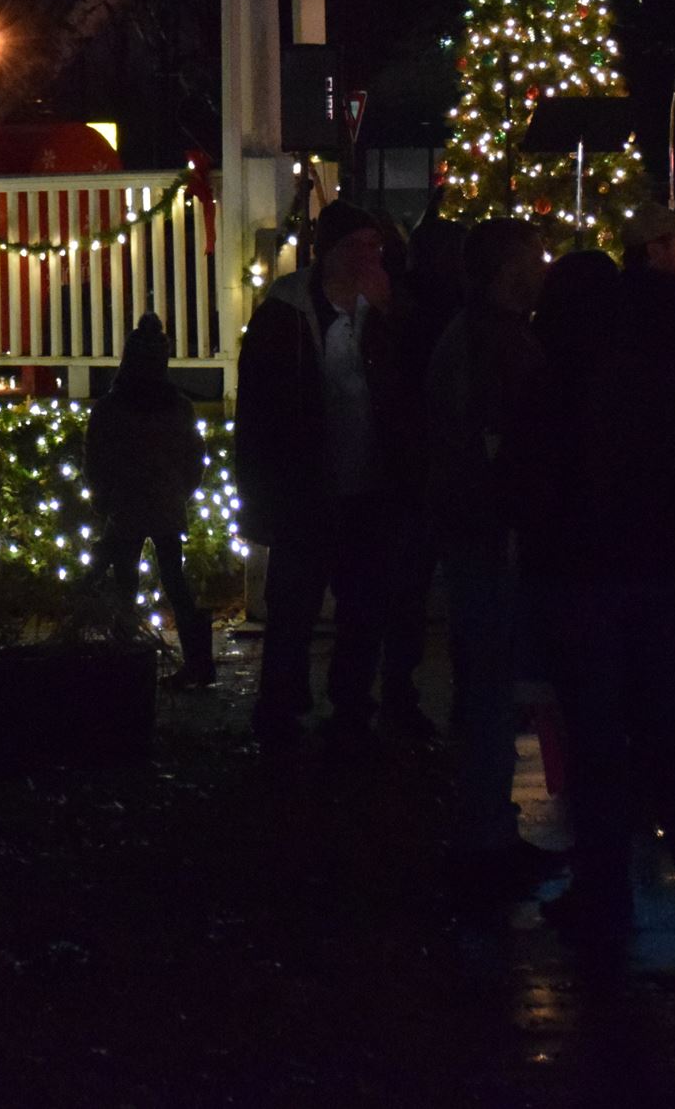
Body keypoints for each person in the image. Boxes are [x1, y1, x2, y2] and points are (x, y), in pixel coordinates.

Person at [530, 205, 675, 964]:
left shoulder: (565, 352)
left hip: (584, 570)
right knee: (673, 738)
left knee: (595, 743)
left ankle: (606, 895)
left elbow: (538, 468)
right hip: (669, 562)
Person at [235, 200, 419, 749]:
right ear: (332, 253)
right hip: (306, 488)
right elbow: (260, 411)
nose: (370, 257)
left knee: (362, 606)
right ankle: (281, 706)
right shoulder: (286, 313)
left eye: (375, 247)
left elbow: (406, 389)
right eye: (359, 247)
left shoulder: (384, 308)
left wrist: (388, 316)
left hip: (370, 487)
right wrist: (262, 494)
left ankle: (350, 704)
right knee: (294, 607)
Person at [426, 218, 556, 900]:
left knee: (488, 681)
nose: (544, 271)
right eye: (535, 260)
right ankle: (483, 833)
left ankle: (489, 825)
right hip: (489, 529)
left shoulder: (472, 334)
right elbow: (504, 438)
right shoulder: (498, 342)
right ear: (510, 271)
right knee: (490, 683)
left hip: (477, 524)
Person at [83, 313, 213, 689]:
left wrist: (103, 496)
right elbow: (194, 457)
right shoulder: (178, 407)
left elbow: (96, 457)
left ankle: (126, 662)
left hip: (125, 504)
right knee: (175, 582)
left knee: (126, 583)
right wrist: (180, 491)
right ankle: (197, 662)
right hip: (165, 503)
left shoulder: (111, 408)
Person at [383, 215, 470, 738]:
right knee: (435, 591)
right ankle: (413, 695)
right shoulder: (442, 314)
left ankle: (400, 693)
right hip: (432, 472)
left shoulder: (406, 309)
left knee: (409, 593)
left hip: (416, 471)